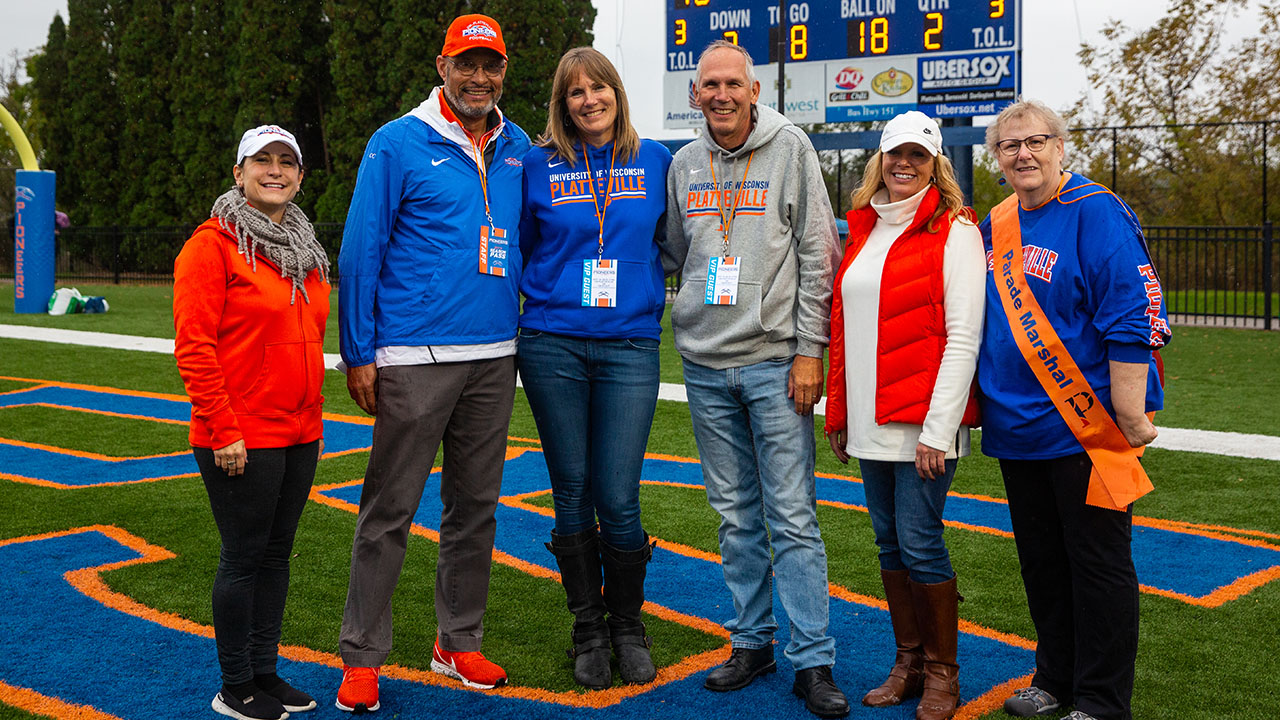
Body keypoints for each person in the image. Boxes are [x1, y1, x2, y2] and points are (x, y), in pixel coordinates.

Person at [334, 13, 531, 713]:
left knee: (475, 509)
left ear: (504, 71)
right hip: (413, 354)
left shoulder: (519, 147)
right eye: (467, 63)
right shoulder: (398, 142)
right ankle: (362, 656)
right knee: (390, 509)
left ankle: (457, 641)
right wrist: (359, 351)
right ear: (443, 66)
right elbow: (360, 252)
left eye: (492, 65)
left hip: (494, 356)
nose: (480, 77)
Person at [665, 40, 849, 719]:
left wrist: (810, 349)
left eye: (731, 83)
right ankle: (752, 640)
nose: (720, 94)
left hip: (777, 361)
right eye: (708, 83)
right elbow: (682, 251)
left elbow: (815, 250)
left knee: (793, 516)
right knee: (735, 514)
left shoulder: (790, 146)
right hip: (706, 364)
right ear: (695, 93)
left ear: (752, 89)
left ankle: (812, 658)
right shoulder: (685, 163)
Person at [979, 99, 1170, 720]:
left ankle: (1101, 701)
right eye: (1010, 146)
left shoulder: (1097, 211)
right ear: (996, 159)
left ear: (1061, 147)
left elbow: (1131, 308)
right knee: (1041, 563)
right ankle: (1054, 678)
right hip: (1019, 429)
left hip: (1088, 428)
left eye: (1036, 141)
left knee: (1098, 565)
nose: (1024, 154)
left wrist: (1131, 410)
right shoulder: (998, 220)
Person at [518, 47, 673, 689]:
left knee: (618, 493)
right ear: (562, 102)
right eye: (575, 92)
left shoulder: (657, 160)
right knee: (573, 490)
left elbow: (674, 242)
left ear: (617, 92)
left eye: (599, 87)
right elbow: (520, 246)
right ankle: (587, 625)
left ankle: (627, 624)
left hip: (629, 346)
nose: (589, 100)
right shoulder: (535, 164)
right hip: (552, 343)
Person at [823, 111, 984, 720]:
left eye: (918, 155)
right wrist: (838, 411)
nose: (904, 164)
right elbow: (846, 328)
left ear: (936, 163)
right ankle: (908, 663)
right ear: (880, 160)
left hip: (923, 427)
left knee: (920, 543)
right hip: (868, 419)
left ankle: (943, 673)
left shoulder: (956, 230)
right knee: (890, 544)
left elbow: (963, 337)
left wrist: (940, 429)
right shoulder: (864, 228)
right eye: (895, 154)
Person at [173, 125, 330, 720]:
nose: (275, 170)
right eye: (261, 160)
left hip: (299, 430)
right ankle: (234, 685)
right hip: (241, 432)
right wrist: (224, 428)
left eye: (286, 161)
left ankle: (265, 672)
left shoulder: (303, 248)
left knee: (276, 555)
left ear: (300, 175)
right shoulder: (210, 247)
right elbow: (194, 347)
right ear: (238, 173)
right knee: (243, 557)